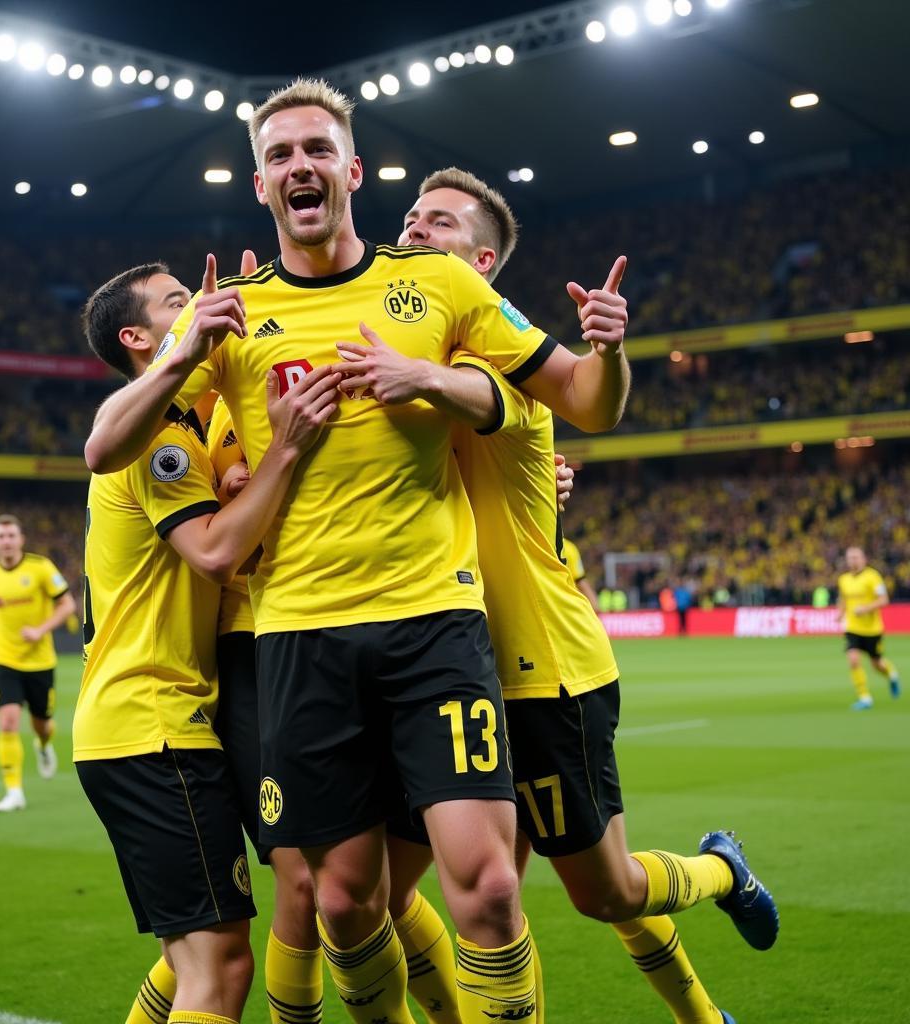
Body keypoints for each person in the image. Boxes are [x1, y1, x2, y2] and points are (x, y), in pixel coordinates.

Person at [84, 77, 632, 1024]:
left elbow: (587, 400)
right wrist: (177, 354)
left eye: (317, 150)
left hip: (436, 623)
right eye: (282, 156)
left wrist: (608, 350)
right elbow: (105, 448)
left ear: (352, 169)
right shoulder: (232, 315)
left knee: (493, 890)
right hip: (300, 639)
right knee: (342, 901)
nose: (302, 166)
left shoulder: (441, 286)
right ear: (262, 186)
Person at [338, 166, 777, 1024]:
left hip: (539, 669)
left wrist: (607, 351)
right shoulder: (398, 343)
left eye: (439, 222)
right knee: (376, 899)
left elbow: (586, 402)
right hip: (430, 673)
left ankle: (722, 870)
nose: (414, 229)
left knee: (604, 893)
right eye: (410, 217)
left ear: (485, 259)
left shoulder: (502, 360)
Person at [75, 261, 340, 1024]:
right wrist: (284, 450)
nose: (194, 304)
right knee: (218, 966)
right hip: (152, 726)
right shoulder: (157, 431)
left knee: (190, 959)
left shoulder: (186, 424)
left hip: (155, 724)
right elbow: (218, 553)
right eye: (175, 302)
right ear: (138, 337)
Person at [0, 514, 76, 812]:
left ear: (21, 539)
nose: (7, 541)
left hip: (40, 661)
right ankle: (14, 792)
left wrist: (41, 629)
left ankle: (42, 744)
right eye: (1, 536)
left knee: (43, 725)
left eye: (11, 535)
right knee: (8, 721)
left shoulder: (41, 568)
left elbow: (67, 604)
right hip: (4, 658)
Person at [836, 546, 901, 710]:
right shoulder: (843, 579)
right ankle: (865, 697)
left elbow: (884, 599)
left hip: (872, 629)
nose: (853, 560)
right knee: (853, 659)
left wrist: (865, 608)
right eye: (850, 557)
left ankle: (892, 675)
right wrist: (840, 613)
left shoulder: (873, 577)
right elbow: (844, 599)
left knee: (877, 664)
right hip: (853, 627)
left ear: (863, 559)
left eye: (856, 557)